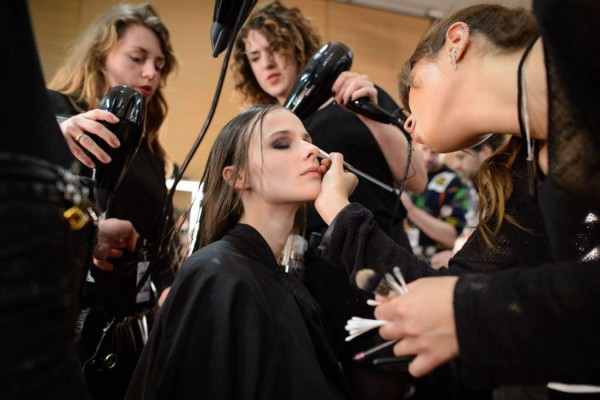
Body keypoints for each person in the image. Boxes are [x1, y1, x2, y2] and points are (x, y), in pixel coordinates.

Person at [312, 0, 600, 397]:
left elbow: (462, 304)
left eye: (411, 86)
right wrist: (340, 214)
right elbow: (443, 294)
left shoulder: (578, 26)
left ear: (457, 41)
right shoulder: (522, 179)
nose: (408, 121)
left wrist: (470, 312)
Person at [231, 2, 426, 398]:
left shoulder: (350, 94)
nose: (266, 62)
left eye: (276, 48)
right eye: (254, 56)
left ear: (299, 45)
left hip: (375, 256)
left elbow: (417, 177)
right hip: (311, 276)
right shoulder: (260, 126)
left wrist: (370, 111)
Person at [125, 104, 352, 400]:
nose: (312, 151)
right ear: (237, 177)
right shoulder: (215, 273)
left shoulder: (274, 279)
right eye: (281, 143)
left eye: (309, 141)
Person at [46, 3, 179, 399]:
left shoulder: (151, 156)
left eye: (159, 64)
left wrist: (175, 302)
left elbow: (160, 250)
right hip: (57, 320)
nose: (151, 72)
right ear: (101, 57)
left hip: (123, 334)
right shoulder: (54, 113)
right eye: (137, 58)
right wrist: (56, 134)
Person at [430, 138, 496, 269]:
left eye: (461, 157)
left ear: (485, 152)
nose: (456, 165)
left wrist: (455, 255)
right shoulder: (476, 193)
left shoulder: (502, 196)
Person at [403, 142, 470, 261]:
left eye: (434, 152)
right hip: (400, 255)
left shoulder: (457, 183)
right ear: (414, 147)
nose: (428, 158)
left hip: (434, 262)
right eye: (424, 149)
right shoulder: (402, 174)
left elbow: (450, 237)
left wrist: (411, 210)